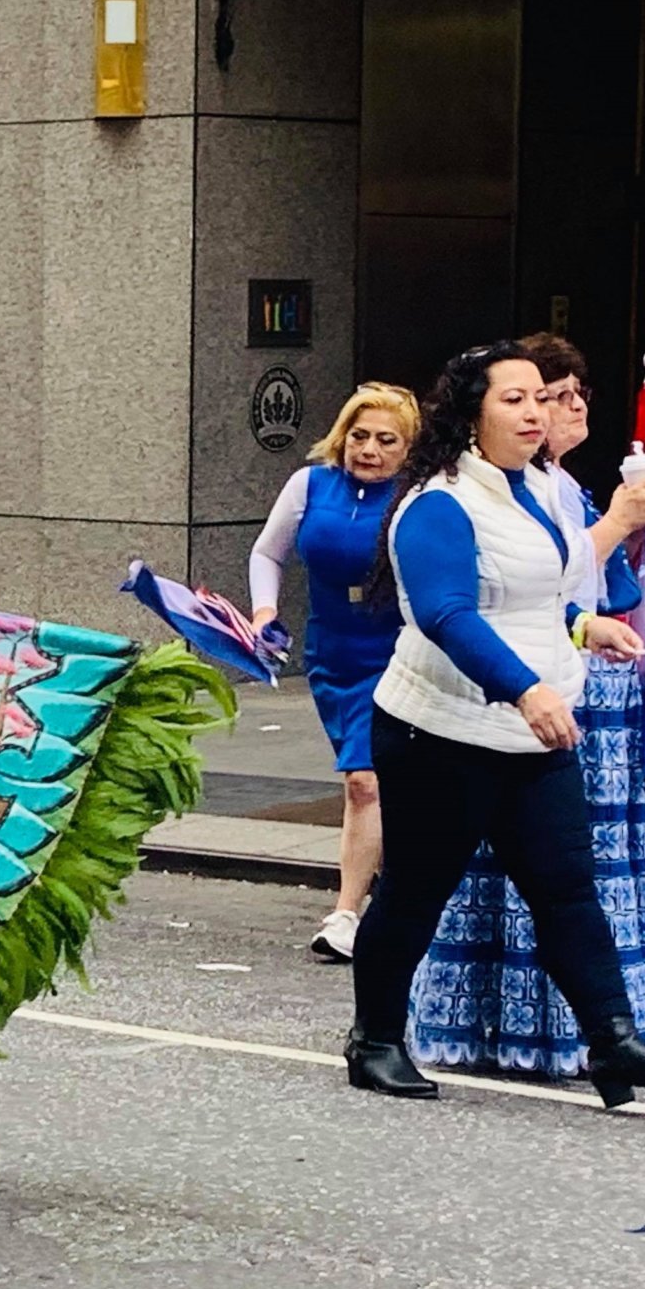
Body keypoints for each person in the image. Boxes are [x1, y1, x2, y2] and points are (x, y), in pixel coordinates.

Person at [344, 340, 645, 1109]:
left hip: (530, 735)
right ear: (471, 413)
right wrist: (526, 690)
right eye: (514, 399)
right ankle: (375, 1039)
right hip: (437, 731)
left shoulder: (543, 488)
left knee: (567, 890)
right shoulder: (438, 501)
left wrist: (582, 627)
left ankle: (613, 1041)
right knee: (414, 891)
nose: (535, 412)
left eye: (540, 398)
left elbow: (536, 596)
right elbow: (446, 613)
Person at [247, 382, 418, 960]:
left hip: (399, 651)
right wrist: (264, 613)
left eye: (385, 440)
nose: (368, 449)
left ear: (409, 448)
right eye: (359, 436)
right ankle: (395, 893)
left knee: (363, 780)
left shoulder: (419, 496)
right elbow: (267, 552)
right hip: (331, 654)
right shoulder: (310, 484)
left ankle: (347, 912)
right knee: (376, 781)